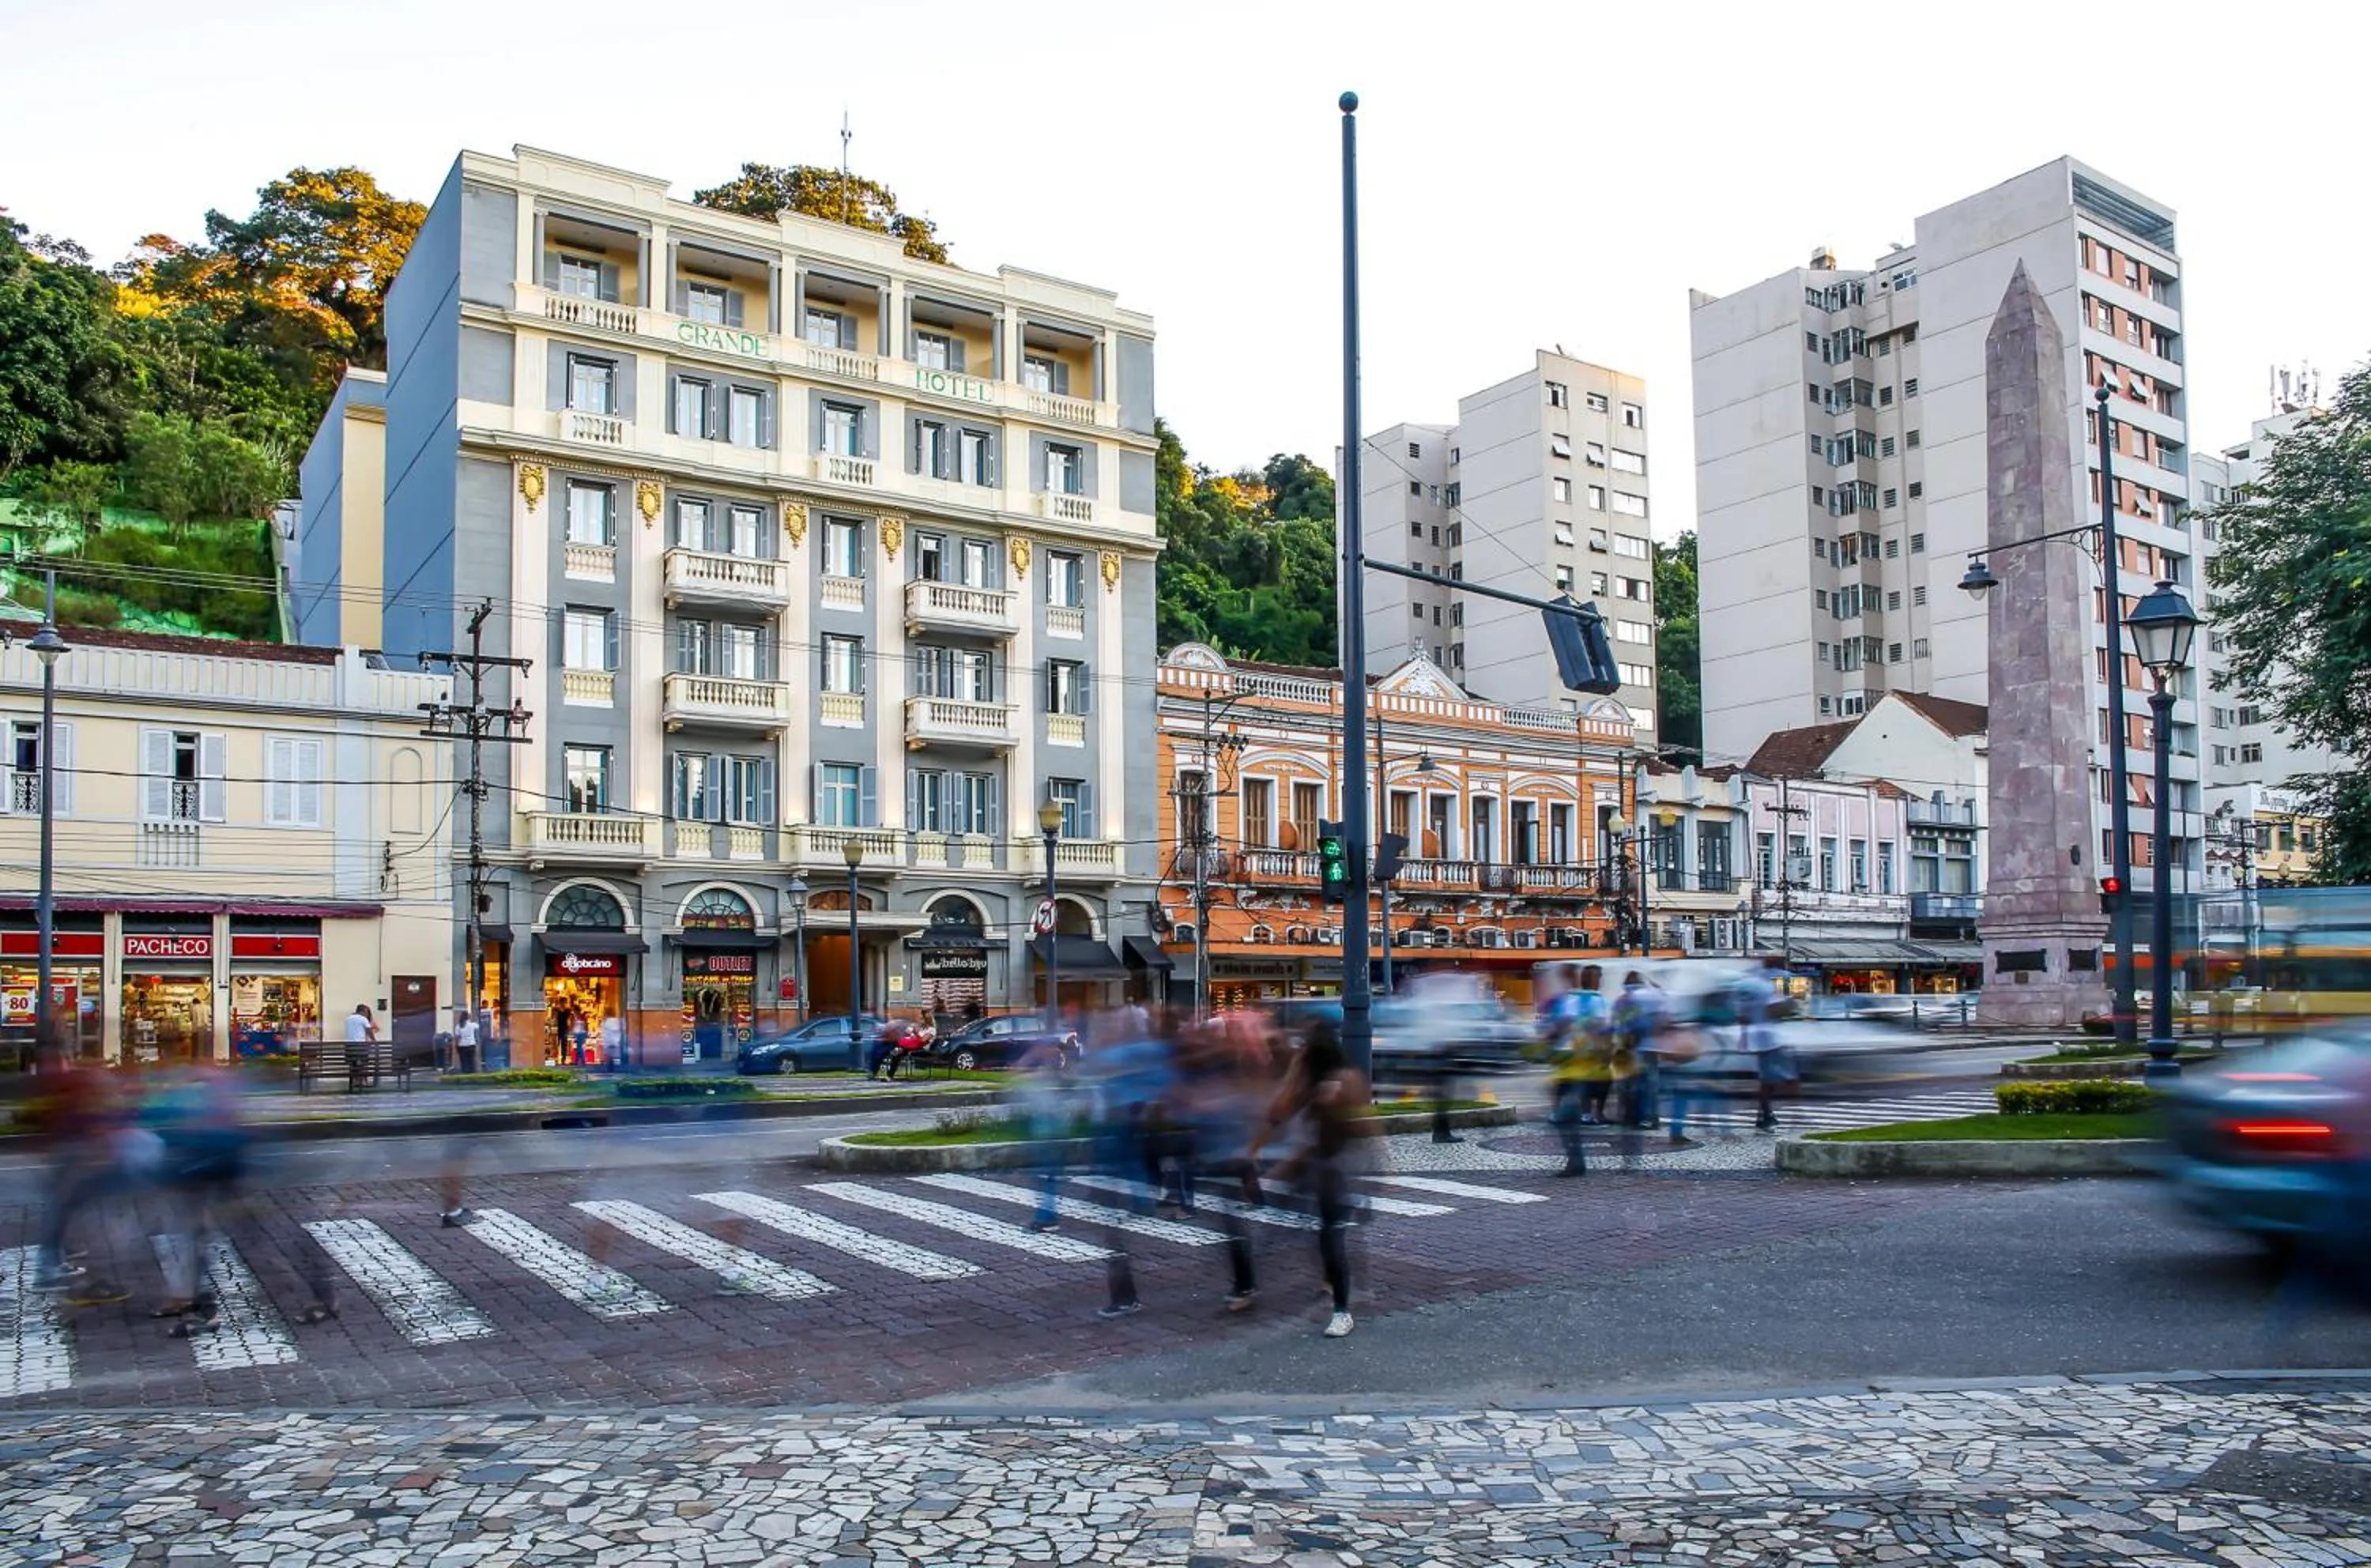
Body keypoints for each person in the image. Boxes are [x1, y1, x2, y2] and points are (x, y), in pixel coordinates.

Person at [1253, 1021, 1368, 1338]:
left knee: (1330, 1238)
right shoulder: (1311, 1084)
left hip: (1334, 1170)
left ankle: (1342, 1310)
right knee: (1319, 1236)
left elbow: (1333, 1136)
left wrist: (1286, 1166)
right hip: (1317, 1170)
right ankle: (1333, 1285)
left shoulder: (1340, 1083)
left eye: (1304, 1047)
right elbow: (1278, 1113)